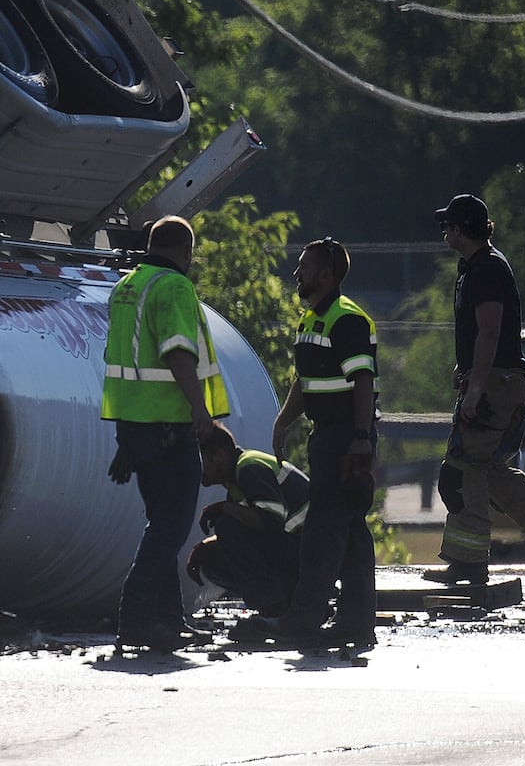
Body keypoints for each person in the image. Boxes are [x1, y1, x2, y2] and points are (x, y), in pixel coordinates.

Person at [425, 194, 525, 585]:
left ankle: (468, 561)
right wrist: (465, 371)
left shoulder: (487, 269)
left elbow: (490, 331)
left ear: (464, 228)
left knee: (462, 470)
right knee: (492, 473)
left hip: (494, 386)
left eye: (448, 224)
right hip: (498, 382)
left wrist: (476, 387)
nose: (444, 230)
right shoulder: (474, 268)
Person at [232, 238, 379, 647]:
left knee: (322, 531)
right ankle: (355, 622)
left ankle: (304, 619)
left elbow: (363, 381)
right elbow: (307, 380)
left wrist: (362, 439)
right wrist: (284, 421)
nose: (297, 273)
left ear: (327, 276)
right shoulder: (312, 319)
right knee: (348, 531)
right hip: (329, 436)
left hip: (346, 437)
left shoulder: (346, 320)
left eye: (305, 267)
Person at [102, 215, 230, 652]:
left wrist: (127, 440)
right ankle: (136, 618)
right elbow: (177, 353)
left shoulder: (127, 286)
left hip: (135, 425)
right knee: (171, 529)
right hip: (169, 427)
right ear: (186, 252)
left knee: (162, 524)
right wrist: (200, 410)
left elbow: (123, 361)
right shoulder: (173, 287)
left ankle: (168, 620)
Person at [186, 422, 310, 617]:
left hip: (312, 552)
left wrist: (223, 509)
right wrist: (203, 546)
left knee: (227, 525)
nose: (197, 468)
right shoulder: (234, 479)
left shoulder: (248, 467)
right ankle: (292, 602)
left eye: (202, 461)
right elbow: (252, 528)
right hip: (298, 549)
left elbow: (271, 521)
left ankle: (272, 610)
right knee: (211, 557)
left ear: (219, 455)